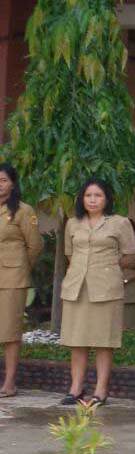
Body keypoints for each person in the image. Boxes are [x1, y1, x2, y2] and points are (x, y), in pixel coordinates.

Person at [59, 180, 135, 407]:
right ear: (81, 199)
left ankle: (101, 390)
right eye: (88, 195)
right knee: (77, 340)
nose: (92, 200)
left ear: (107, 199)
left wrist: (108, 268)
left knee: (104, 341)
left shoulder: (119, 223)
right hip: (76, 287)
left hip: (106, 288)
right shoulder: (73, 223)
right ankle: (75, 388)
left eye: (98, 195)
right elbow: (69, 254)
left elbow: (130, 256)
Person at [0, 163, 44, 399]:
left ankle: (9, 382)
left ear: (13, 183)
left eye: (3, 180)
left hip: (12, 279)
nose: (0, 184)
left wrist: (19, 268)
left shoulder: (24, 211)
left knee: (9, 332)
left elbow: (35, 246)